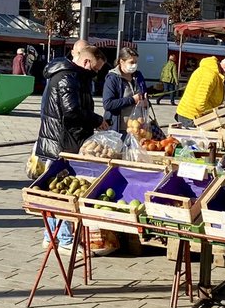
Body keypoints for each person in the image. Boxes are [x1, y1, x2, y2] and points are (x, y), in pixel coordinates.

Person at [35, 45, 108, 249]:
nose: (96, 73)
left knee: (55, 191)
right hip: (62, 142)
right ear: (86, 62)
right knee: (63, 193)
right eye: (95, 69)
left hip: (63, 140)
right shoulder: (67, 78)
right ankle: (65, 239)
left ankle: (51, 236)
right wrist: (96, 120)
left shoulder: (72, 76)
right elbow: (71, 112)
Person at [176, 55, 225, 127]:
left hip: (196, 115)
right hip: (191, 116)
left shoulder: (216, 75)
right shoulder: (209, 75)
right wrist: (217, 114)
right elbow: (200, 103)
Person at [103, 46, 148, 134]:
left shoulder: (138, 76)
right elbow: (108, 104)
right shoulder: (112, 79)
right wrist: (132, 100)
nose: (134, 65)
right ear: (121, 61)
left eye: (136, 62)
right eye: (131, 62)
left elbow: (144, 95)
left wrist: (146, 103)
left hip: (138, 128)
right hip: (119, 129)